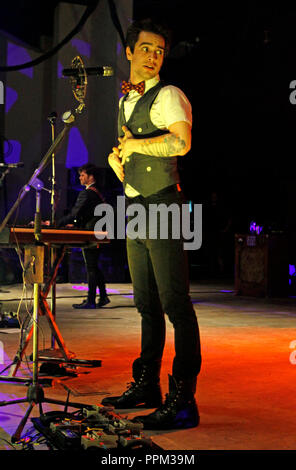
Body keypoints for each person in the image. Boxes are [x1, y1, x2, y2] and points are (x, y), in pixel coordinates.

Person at [101, 19, 201, 430]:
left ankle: (183, 400)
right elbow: (130, 149)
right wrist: (117, 162)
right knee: (146, 304)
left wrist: (136, 145)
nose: (153, 55)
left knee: (175, 303)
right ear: (129, 52)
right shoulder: (126, 100)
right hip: (136, 206)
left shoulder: (170, 95)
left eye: (158, 50)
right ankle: (147, 385)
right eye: (145, 48)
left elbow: (181, 142)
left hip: (163, 204)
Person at [57, 163, 110, 309]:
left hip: (91, 234)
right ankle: (103, 296)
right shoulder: (98, 192)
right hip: (97, 232)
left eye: (82, 175)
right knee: (94, 266)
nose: (80, 178)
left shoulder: (87, 193)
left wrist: (57, 224)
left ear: (90, 177)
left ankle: (91, 300)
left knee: (91, 267)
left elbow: (75, 213)